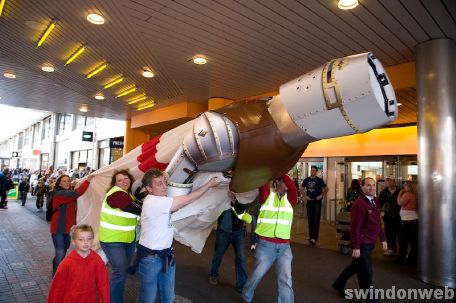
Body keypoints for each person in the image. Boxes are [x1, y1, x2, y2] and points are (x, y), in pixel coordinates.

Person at [137, 169, 220, 303]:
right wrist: (208, 185)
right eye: (159, 184)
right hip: (151, 259)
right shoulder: (154, 202)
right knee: (147, 299)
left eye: (165, 182)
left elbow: (178, 206)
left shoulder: (162, 201)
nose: (164, 186)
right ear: (149, 188)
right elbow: (186, 199)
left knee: (168, 298)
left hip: (167, 256)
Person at [242, 175, 298, 303]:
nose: (287, 186)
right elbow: (263, 182)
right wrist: (272, 172)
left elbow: (293, 187)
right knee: (257, 275)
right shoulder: (267, 197)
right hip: (266, 245)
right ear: (277, 183)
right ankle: (246, 295)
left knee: (286, 279)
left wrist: (282, 171)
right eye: (284, 183)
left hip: (284, 247)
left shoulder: (290, 199)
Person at [332, 177, 387, 303]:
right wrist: (356, 246)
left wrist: (383, 239)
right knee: (366, 272)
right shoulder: (359, 204)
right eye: (368, 185)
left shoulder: (374, 201)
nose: (372, 187)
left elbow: (378, 222)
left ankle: (338, 283)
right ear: (362, 187)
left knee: (356, 266)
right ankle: (371, 300)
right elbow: (355, 228)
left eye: (373, 185)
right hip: (362, 244)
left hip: (370, 242)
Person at [99, 170, 143, 303]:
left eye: (126, 178)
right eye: (120, 180)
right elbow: (137, 209)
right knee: (120, 272)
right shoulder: (116, 194)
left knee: (121, 273)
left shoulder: (128, 194)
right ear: (115, 183)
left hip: (127, 241)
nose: (124, 181)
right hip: (113, 241)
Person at [48, 224, 109, 303]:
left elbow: (103, 285)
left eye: (89, 239)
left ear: (93, 240)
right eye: (81, 239)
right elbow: (57, 288)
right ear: (73, 241)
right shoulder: (67, 263)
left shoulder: (97, 260)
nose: (86, 242)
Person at [48, 174, 93, 276]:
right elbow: (76, 194)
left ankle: (57, 265)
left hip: (68, 228)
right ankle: (56, 276)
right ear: (59, 183)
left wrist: (75, 184)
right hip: (58, 229)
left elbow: (72, 192)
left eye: (68, 181)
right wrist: (87, 181)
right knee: (60, 252)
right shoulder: (59, 193)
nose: (67, 182)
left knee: (63, 251)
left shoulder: (67, 192)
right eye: (64, 181)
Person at [209, 192, 251, 292]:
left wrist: (234, 201)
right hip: (223, 231)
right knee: (218, 254)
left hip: (238, 232)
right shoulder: (222, 194)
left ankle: (241, 284)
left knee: (241, 258)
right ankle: (213, 274)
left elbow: (243, 213)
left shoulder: (242, 197)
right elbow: (214, 209)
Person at [301, 166, 328, 245]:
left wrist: (321, 195)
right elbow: (301, 188)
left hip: (317, 202)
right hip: (310, 202)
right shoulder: (307, 180)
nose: (312, 172)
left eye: (313, 171)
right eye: (311, 170)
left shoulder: (319, 180)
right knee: (310, 220)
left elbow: (326, 188)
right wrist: (305, 196)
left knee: (316, 220)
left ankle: (314, 238)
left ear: (316, 172)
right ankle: (311, 237)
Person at [396, 181, 418, 266]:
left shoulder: (407, 194)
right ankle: (412, 260)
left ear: (409, 186)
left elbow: (399, 203)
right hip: (414, 219)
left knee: (404, 241)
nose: (404, 187)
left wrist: (400, 194)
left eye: (405, 185)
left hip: (407, 221)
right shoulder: (415, 194)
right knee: (413, 242)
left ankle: (401, 259)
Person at [378, 177, 401, 256]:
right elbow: (379, 204)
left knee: (400, 234)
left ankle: (402, 251)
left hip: (399, 216)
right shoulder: (383, 192)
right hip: (387, 216)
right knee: (389, 233)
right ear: (387, 183)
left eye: (392, 181)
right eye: (389, 181)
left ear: (395, 182)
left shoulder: (400, 191)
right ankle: (392, 249)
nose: (390, 182)